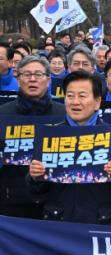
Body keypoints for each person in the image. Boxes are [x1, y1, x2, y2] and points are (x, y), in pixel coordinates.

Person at [26, 71, 111, 224]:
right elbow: (35, 189)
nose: (75, 102)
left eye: (82, 96)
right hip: (58, 221)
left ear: (97, 102)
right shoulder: (50, 135)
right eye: (70, 96)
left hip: (101, 222)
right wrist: (35, 176)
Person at [0, 56, 66, 219]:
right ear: (18, 78)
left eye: (38, 74)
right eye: (26, 74)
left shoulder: (64, 113)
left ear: (48, 79)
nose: (32, 79)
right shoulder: (3, 113)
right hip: (12, 200)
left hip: (55, 199)